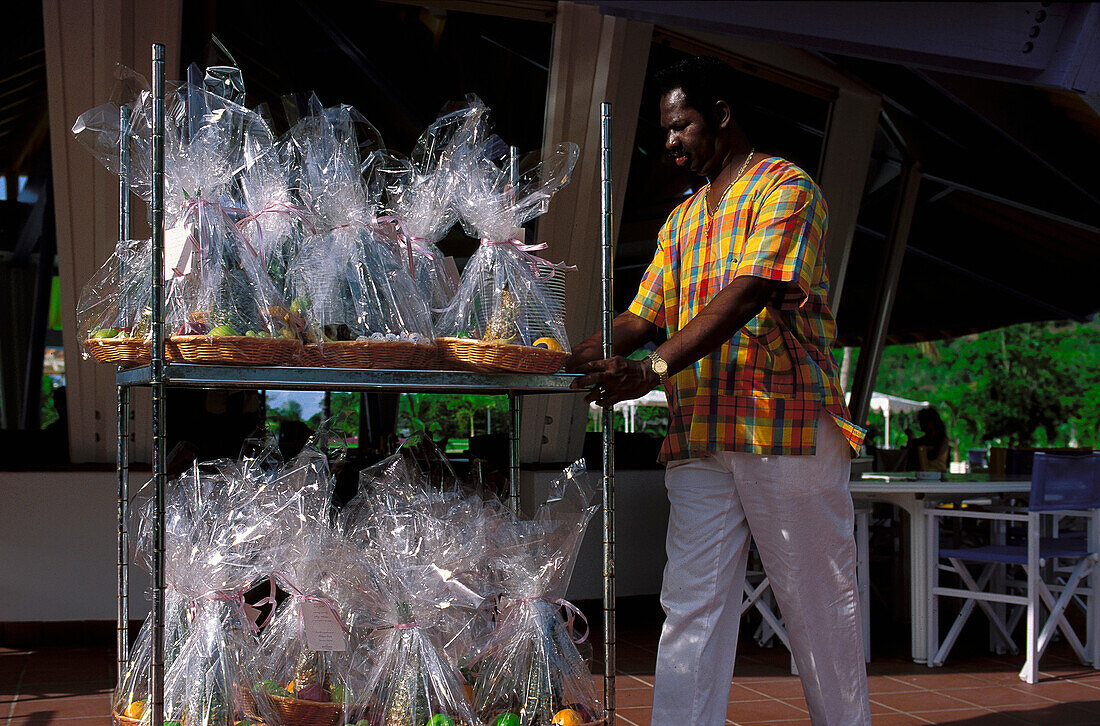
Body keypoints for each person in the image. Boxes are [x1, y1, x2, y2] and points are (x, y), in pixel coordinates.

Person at [567, 55, 871, 725]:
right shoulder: (680, 221)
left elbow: (748, 294)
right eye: (665, 131)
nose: (669, 143)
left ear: (723, 117)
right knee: (690, 607)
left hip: (783, 428)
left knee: (817, 604)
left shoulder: (784, 188)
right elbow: (642, 317)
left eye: (681, 126)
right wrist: (563, 357)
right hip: (700, 431)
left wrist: (649, 370)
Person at [903, 406, 950, 473]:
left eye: (923, 422)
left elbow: (932, 456)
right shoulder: (922, 440)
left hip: (938, 476)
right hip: (921, 475)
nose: (921, 425)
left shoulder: (943, 440)